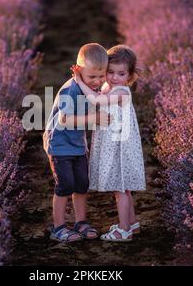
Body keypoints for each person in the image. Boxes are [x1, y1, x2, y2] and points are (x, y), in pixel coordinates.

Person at [72, 44, 146, 242]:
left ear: (129, 76)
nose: (114, 77)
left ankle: (123, 230)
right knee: (124, 188)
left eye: (121, 73)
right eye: (110, 72)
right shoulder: (108, 86)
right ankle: (132, 223)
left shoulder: (121, 92)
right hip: (113, 142)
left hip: (119, 147)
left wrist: (80, 81)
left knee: (120, 188)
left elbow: (97, 101)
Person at [43, 43, 111, 242]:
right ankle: (58, 227)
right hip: (60, 145)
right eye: (92, 77)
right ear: (79, 70)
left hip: (78, 145)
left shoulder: (90, 87)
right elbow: (65, 119)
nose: (97, 81)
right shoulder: (70, 90)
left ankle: (81, 222)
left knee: (82, 184)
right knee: (65, 185)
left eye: (101, 76)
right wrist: (94, 119)